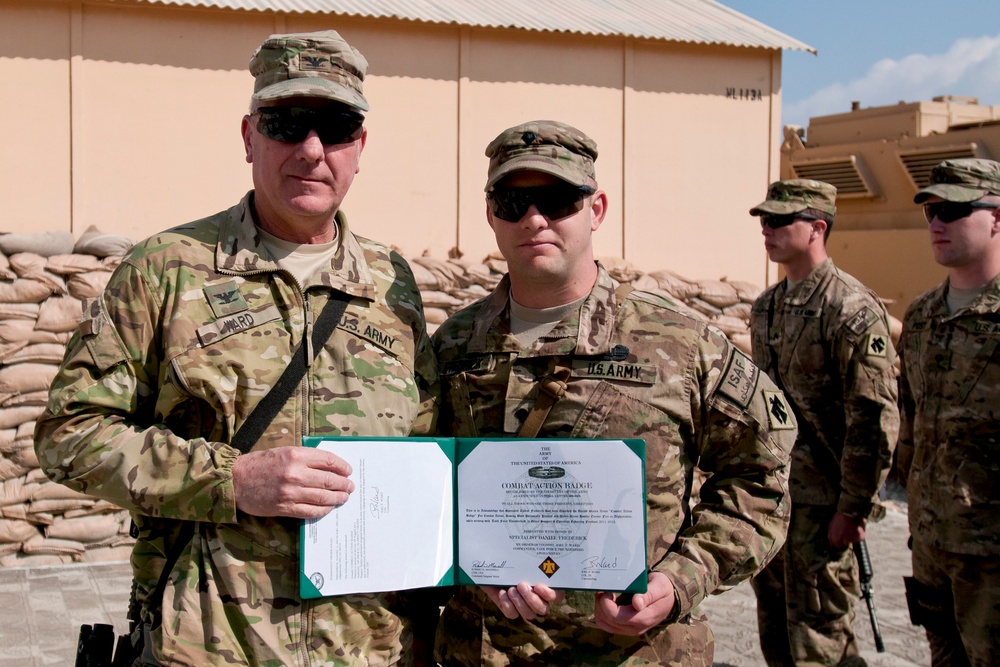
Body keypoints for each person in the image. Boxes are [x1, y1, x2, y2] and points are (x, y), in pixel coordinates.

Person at [33, 30, 437, 666]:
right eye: (285, 123)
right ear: (249, 137)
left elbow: (426, 443)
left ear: (359, 147)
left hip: (369, 649)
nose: (310, 150)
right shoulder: (166, 269)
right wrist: (231, 480)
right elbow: (69, 435)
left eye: (333, 128)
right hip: (210, 646)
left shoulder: (393, 283)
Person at [431, 119, 796, 666]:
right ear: (490, 214)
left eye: (557, 200)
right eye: (511, 202)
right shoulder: (452, 347)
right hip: (483, 651)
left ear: (596, 209)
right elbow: (423, 486)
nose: (534, 219)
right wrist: (472, 562)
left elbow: (762, 480)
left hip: (634, 655)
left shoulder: (680, 345)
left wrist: (678, 582)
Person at [747, 179, 900, 667]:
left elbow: (872, 418)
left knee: (821, 638)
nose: (766, 230)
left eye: (779, 221)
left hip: (825, 505)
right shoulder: (766, 307)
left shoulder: (850, 308)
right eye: (763, 221)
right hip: (777, 500)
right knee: (775, 629)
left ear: (816, 228)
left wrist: (854, 508)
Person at [898, 158, 1000, 667]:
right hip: (932, 543)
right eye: (931, 212)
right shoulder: (921, 316)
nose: (937, 224)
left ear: (997, 218)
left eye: (954, 210)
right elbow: (912, 426)